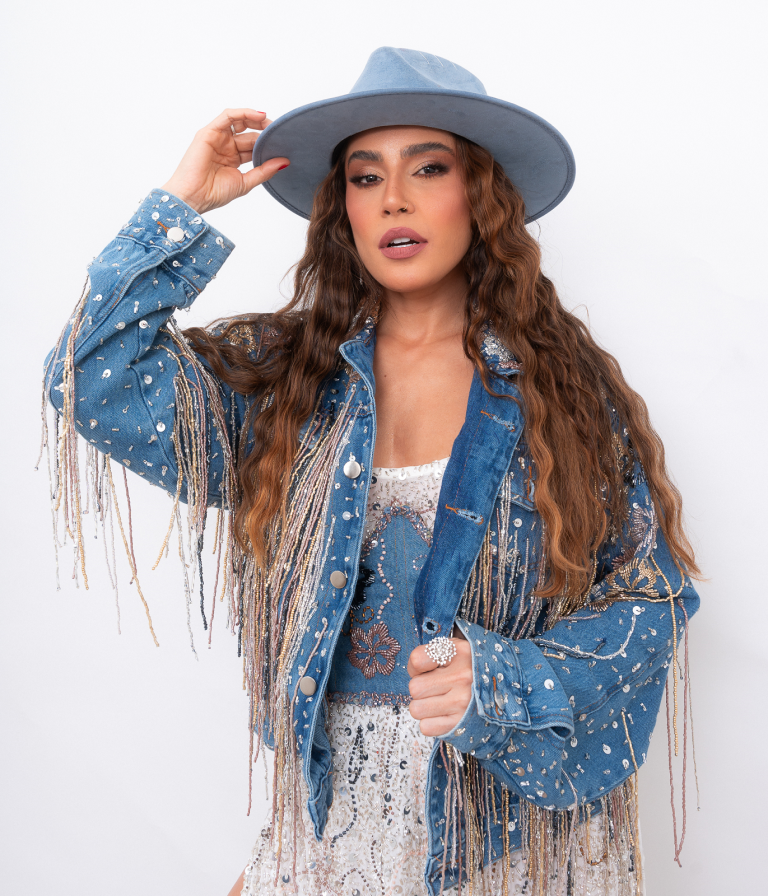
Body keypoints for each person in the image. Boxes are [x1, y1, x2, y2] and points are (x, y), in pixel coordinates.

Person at [43, 47, 700, 896]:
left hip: (500, 838)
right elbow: (90, 378)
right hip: (329, 828)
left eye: (428, 168)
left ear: (482, 195)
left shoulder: (560, 396)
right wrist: (181, 206)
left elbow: (652, 596)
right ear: (342, 207)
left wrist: (502, 684)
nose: (393, 198)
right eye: (364, 176)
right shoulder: (286, 385)